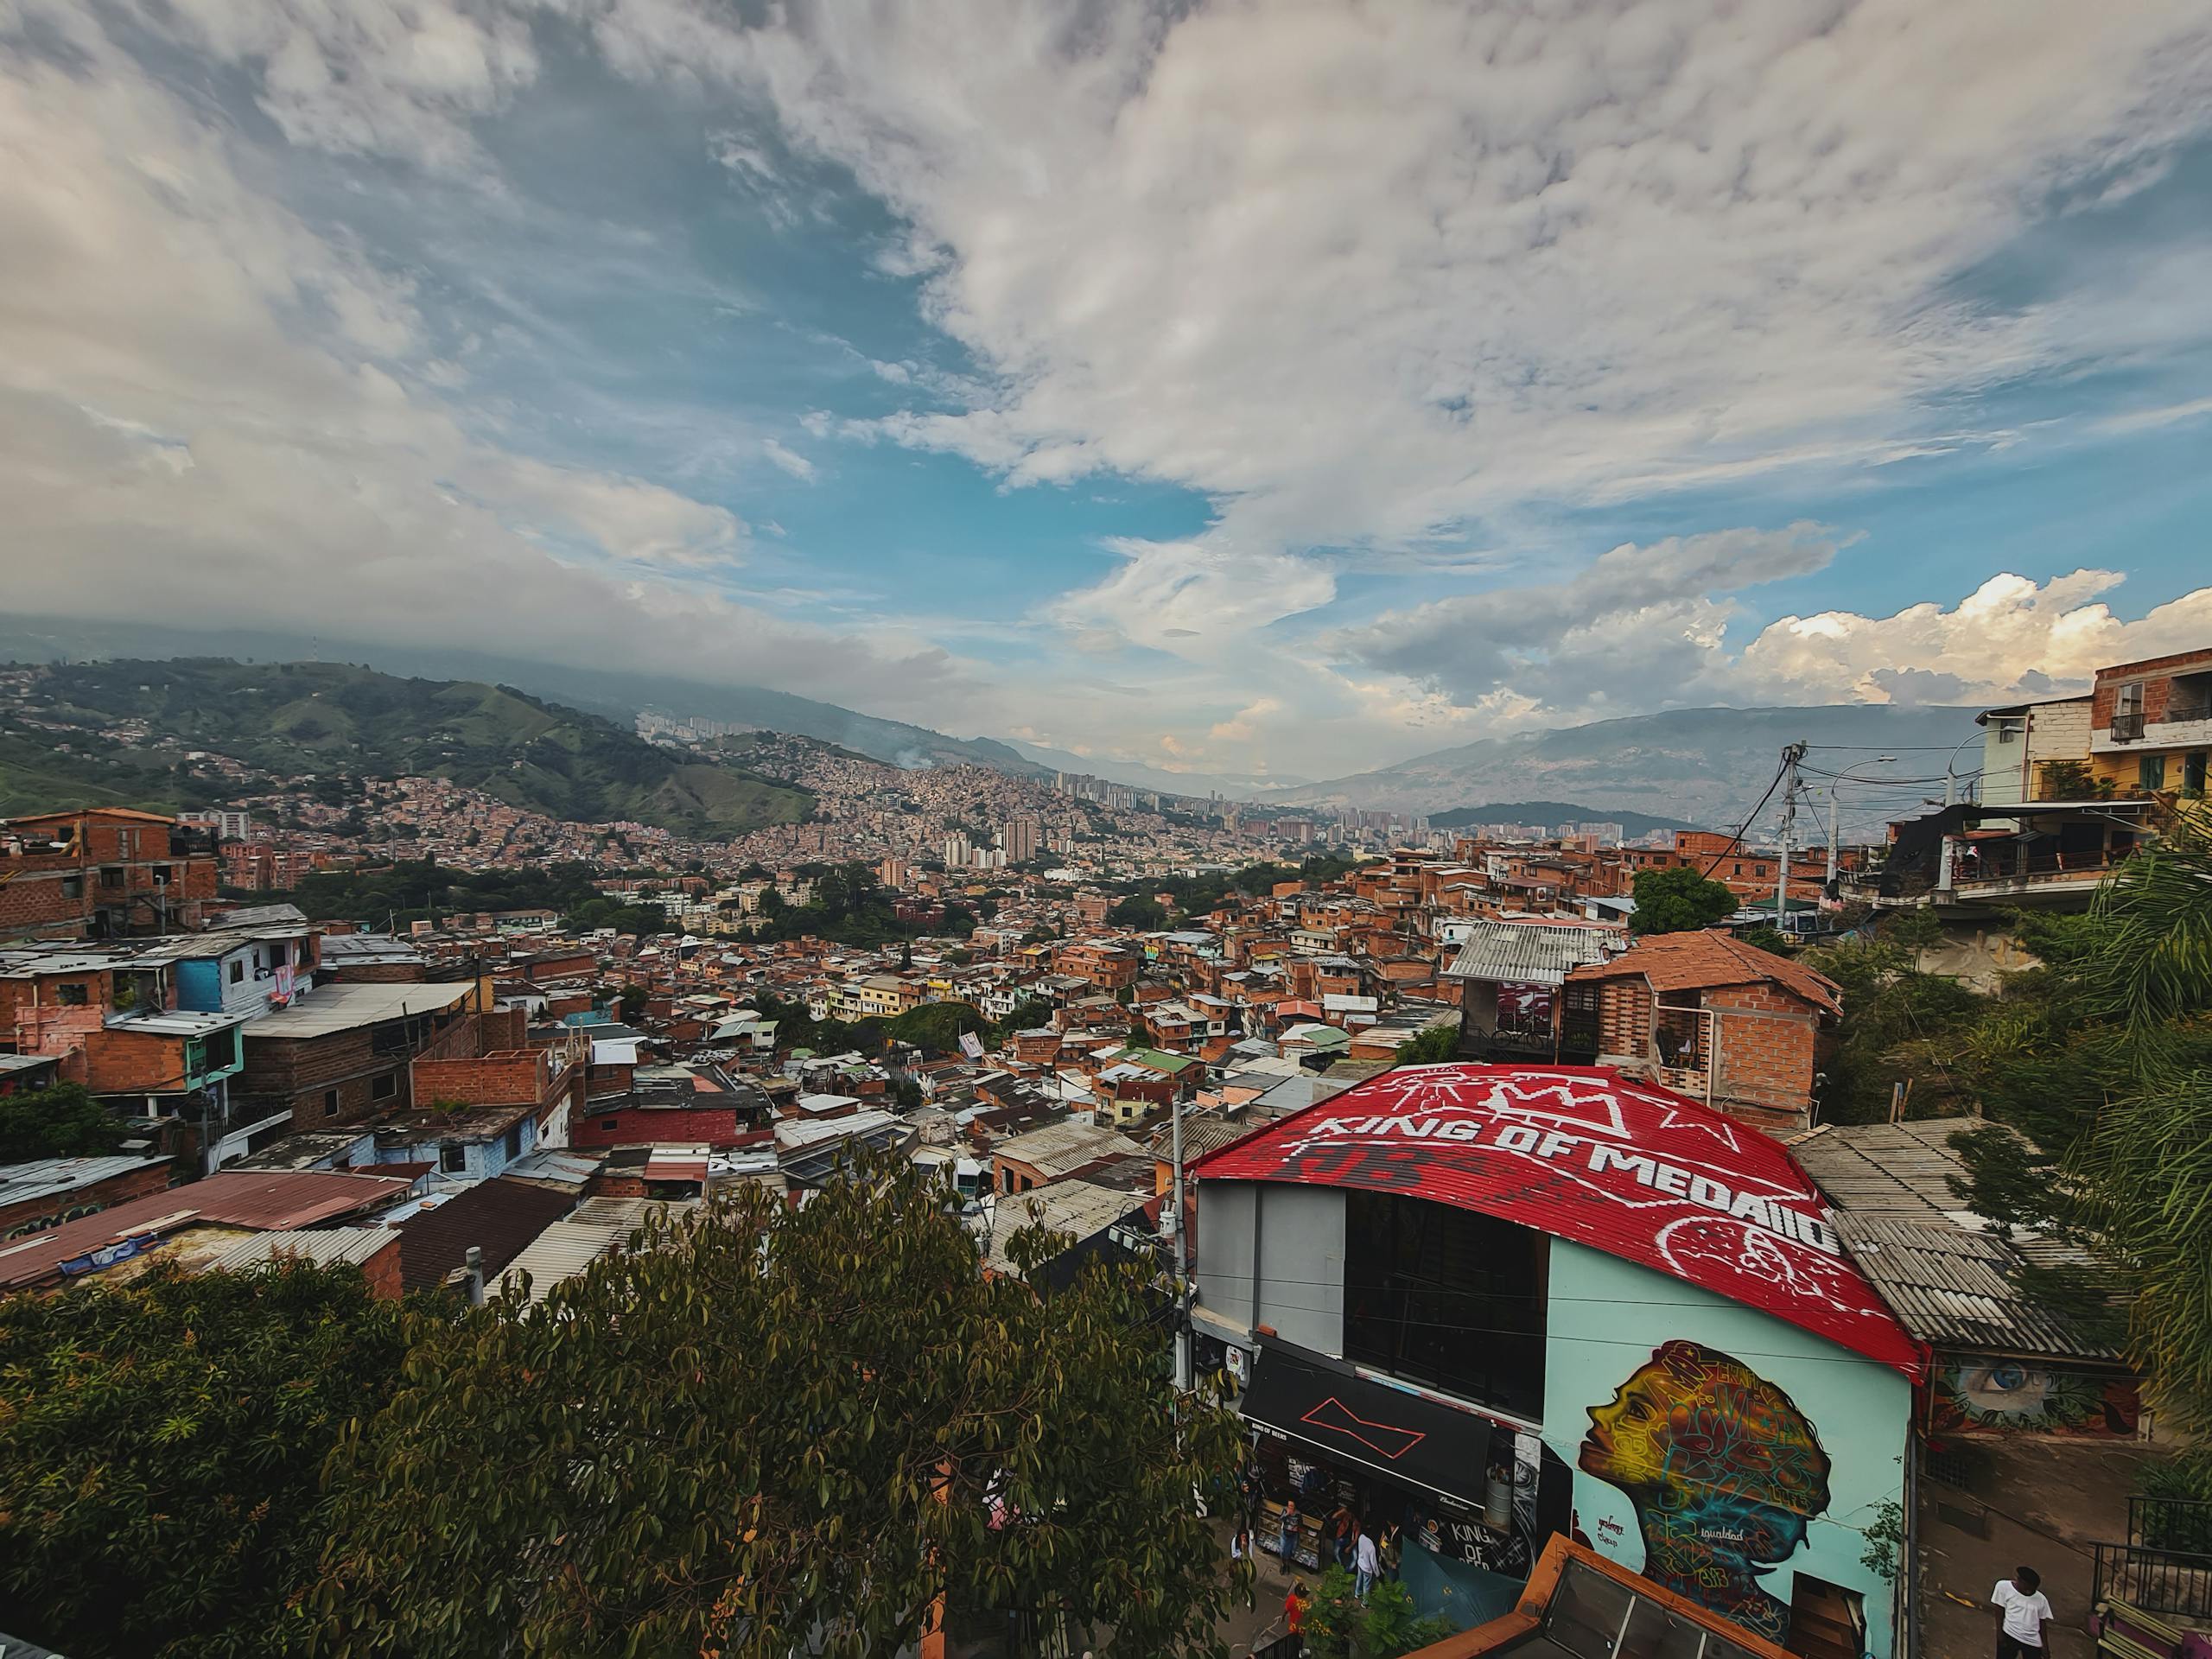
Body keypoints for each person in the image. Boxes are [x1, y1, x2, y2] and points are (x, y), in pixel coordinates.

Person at [1991, 1565, 2053, 1659]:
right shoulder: (2003, 1587)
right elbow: (1999, 1610)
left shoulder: (2041, 1599)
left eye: (2033, 1590)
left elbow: (2042, 1623)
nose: (2029, 1592)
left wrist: (2045, 1647)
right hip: (2009, 1634)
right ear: (2019, 1581)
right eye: (2027, 1588)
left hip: (2032, 1641)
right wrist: (1999, 1632)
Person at [1284, 1580, 1312, 1658]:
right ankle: (1299, 1651)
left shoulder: (1291, 1599)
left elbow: (1286, 1609)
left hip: (1294, 1625)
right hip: (1303, 1626)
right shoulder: (1307, 1603)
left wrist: (1283, 1617)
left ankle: (1296, 1652)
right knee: (1301, 1639)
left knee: (1293, 1640)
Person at [1355, 1522, 1380, 1600]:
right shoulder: (1371, 1547)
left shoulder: (1361, 1537)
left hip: (1360, 1563)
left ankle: (1357, 1593)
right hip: (1367, 1569)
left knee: (1359, 1580)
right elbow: (1373, 1562)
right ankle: (1365, 1602)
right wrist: (1377, 1573)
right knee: (1366, 1586)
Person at [1278, 1495, 1301, 1571]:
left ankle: (1287, 1564)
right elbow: (1280, 1519)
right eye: (1289, 1506)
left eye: (1292, 1506)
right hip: (1284, 1533)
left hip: (1293, 1534)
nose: (1290, 1507)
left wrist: (1297, 1527)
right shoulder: (1285, 1510)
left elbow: (1301, 1523)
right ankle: (1282, 1564)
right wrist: (1287, 1514)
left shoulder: (1298, 1514)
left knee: (1290, 1550)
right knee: (1282, 1550)